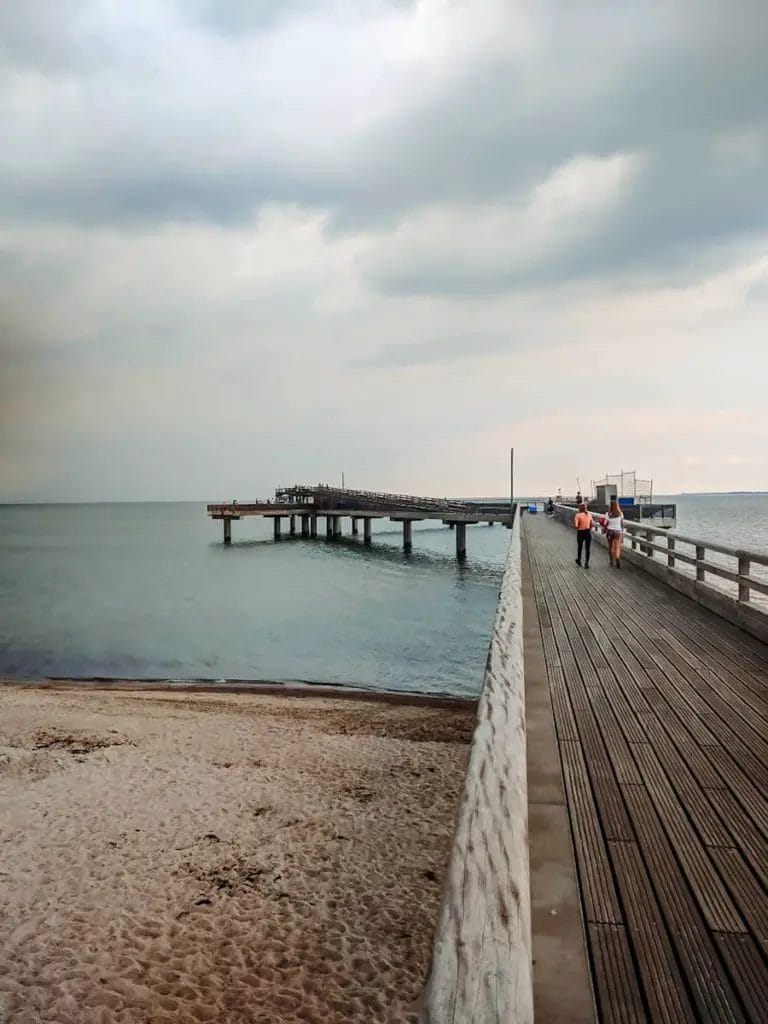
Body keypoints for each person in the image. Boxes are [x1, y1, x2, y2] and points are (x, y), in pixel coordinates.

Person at [605, 499, 624, 568]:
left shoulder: (608, 514)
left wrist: (605, 528)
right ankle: (618, 560)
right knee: (617, 547)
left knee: (610, 547)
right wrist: (622, 532)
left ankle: (611, 561)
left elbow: (605, 523)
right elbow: (622, 524)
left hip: (610, 532)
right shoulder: (620, 513)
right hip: (617, 532)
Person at [573, 503, 593, 568]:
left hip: (580, 532)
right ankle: (586, 563)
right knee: (588, 549)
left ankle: (579, 561)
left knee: (580, 547)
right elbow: (591, 525)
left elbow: (576, 525)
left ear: (579, 508)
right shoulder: (589, 514)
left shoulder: (577, 515)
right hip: (588, 532)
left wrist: (579, 526)